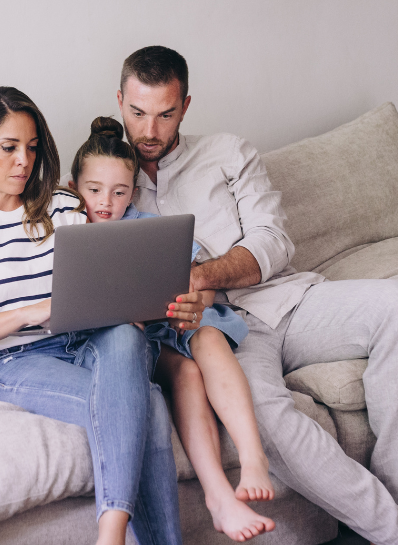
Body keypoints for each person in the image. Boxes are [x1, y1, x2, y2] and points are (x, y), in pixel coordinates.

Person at [115, 46, 398, 545]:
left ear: (185, 105)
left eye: (165, 114)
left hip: (288, 300)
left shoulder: (229, 153)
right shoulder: (106, 181)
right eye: (138, 113)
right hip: (221, 334)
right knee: (261, 412)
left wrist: (200, 276)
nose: (150, 131)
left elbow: (273, 240)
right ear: (120, 101)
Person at [0, 86, 182, 545]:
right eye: (9, 148)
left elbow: (112, 279)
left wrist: (132, 304)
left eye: (32, 148)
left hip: (90, 340)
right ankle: (116, 531)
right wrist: (29, 313)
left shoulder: (62, 206)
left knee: (124, 335)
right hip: (17, 360)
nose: (25, 161)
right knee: (150, 403)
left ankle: (110, 532)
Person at [69, 116, 275, 543]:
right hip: (119, 343)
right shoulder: (64, 228)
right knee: (182, 370)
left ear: (134, 190)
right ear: (74, 186)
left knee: (207, 340)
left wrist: (191, 300)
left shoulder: (147, 226)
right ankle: (219, 495)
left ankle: (247, 465)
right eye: (94, 190)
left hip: (164, 326)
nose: (107, 201)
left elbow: (195, 276)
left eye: (120, 191)